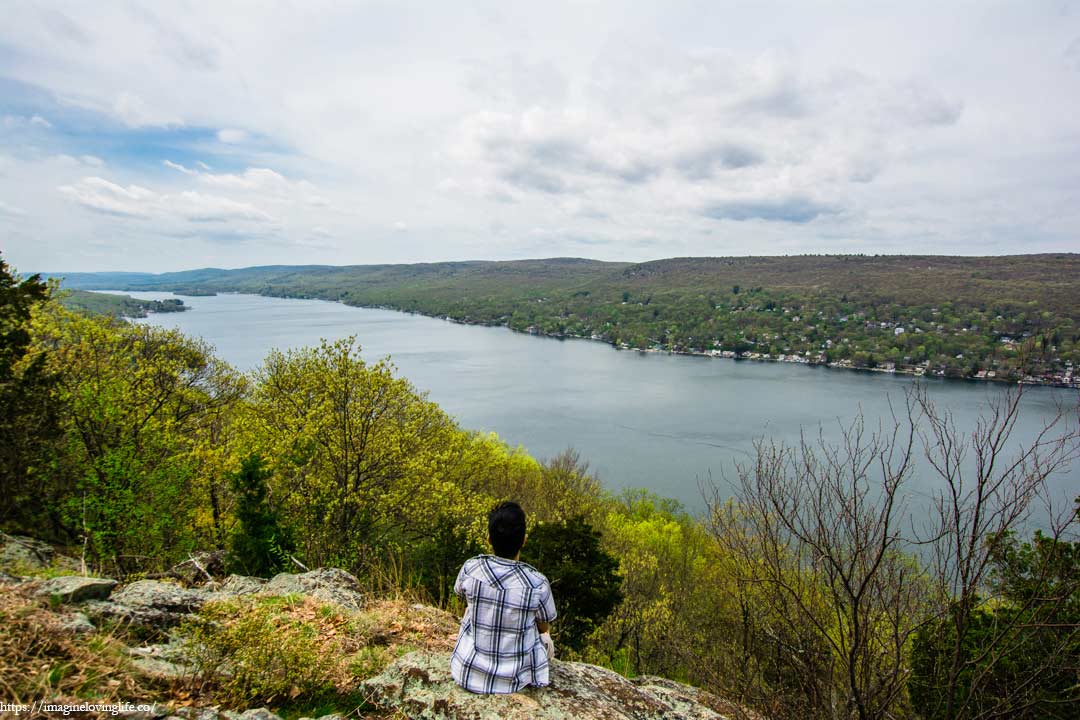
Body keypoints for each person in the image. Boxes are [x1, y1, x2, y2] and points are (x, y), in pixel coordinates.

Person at [450, 501, 557, 694]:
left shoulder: (471, 568)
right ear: (524, 540)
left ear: (489, 539)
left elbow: (459, 593)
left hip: (467, 671)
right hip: (515, 680)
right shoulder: (536, 583)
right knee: (545, 638)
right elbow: (544, 627)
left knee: (470, 609)